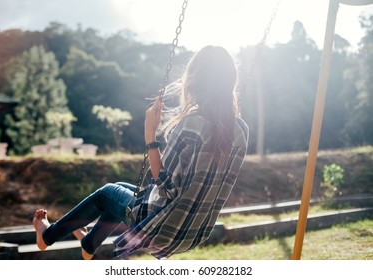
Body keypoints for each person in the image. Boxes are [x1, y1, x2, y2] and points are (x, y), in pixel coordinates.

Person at [33, 45, 249, 260]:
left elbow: (166, 187)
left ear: (196, 80)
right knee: (121, 191)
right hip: (193, 232)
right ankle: (89, 245)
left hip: (162, 226)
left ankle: (47, 236)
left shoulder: (192, 124)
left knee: (107, 193)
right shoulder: (241, 130)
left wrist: (150, 134)